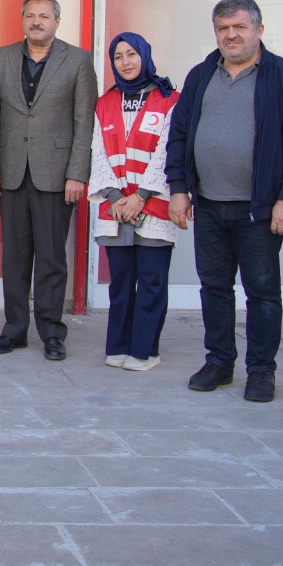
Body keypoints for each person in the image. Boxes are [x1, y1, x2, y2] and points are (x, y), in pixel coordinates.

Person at [166, 0, 283, 404]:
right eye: (223, 28)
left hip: (260, 209)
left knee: (263, 292)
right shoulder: (201, 75)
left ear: (259, 30)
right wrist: (178, 188)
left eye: (239, 27)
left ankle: (261, 370)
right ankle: (219, 361)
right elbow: (179, 134)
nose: (231, 35)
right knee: (214, 288)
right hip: (208, 204)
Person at [0, 0, 96, 360]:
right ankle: (14, 329)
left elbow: (84, 122)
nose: (36, 21)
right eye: (30, 15)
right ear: (23, 20)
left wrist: (77, 173)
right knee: (14, 258)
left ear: (56, 21)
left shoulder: (78, 60)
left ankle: (51, 331)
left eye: (44, 16)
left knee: (51, 258)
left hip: (56, 175)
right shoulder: (1, 58)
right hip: (12, 173)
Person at [88, 33, 180, 371]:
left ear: (144, 56)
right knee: (121, 282)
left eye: (131, 54)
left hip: (153, 206)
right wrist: (116, 197)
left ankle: (144, 351)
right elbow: (98, 152)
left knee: (152, 282)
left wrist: (140, 196)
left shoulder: (170, 99)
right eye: (118, 57)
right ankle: (118, 346)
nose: (125, 62)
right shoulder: (105, 102)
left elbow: (168, 151)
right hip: (116, 208)